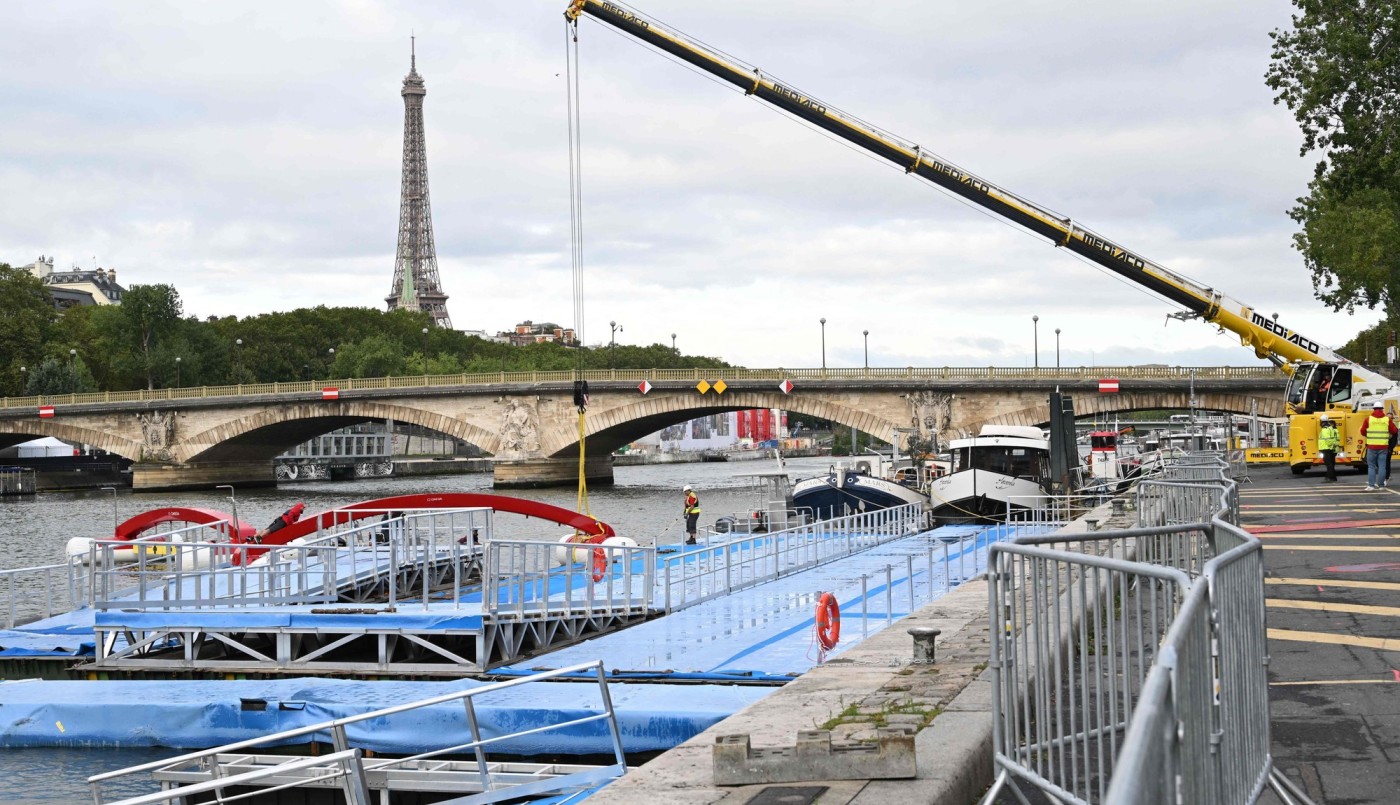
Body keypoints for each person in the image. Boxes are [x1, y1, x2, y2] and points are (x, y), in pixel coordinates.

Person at [1362, 402, 1396, 491]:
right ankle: (1381, 485)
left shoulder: (1368, 419)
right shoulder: (1387, 419)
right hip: (1383, 447)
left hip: (1371, 446)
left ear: (1373, 409)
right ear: (1382, 409)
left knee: (1371, 466)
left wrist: (1369, 435)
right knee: (1382, 466)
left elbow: (1362, 431)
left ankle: (1371, 486)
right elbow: (1394, 431)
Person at [1317, 414, 1340, 483]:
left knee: (1328, 464)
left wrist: (1330, 445)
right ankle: (1332, 477)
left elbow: (1328, 440)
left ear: (1322, 421)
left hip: (1326, 448)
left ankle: (1330, 478)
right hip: (1329, 448)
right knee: (1331, 464)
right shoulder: (1330, 428)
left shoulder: (1325, 429)